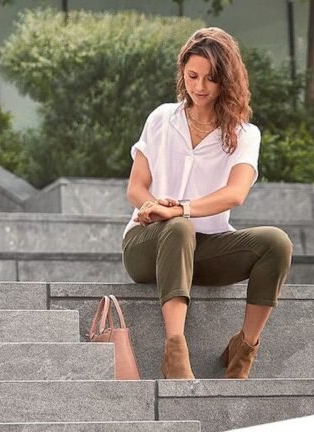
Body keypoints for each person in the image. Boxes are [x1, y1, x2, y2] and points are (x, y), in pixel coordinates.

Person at [121, 27, 293, 380]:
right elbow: (136, 187)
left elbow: (236, 193)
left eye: (211, 79)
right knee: (178, 227)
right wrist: (157, 208)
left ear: (226, 81)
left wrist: (180, 207)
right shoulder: (161, 118)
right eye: (192, 76)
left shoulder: (245, 134)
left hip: (205, 248)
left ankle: (244, 349)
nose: (199, 87)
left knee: (276, 243)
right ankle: (175, 352)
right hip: (147, 244)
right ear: (182, 72)